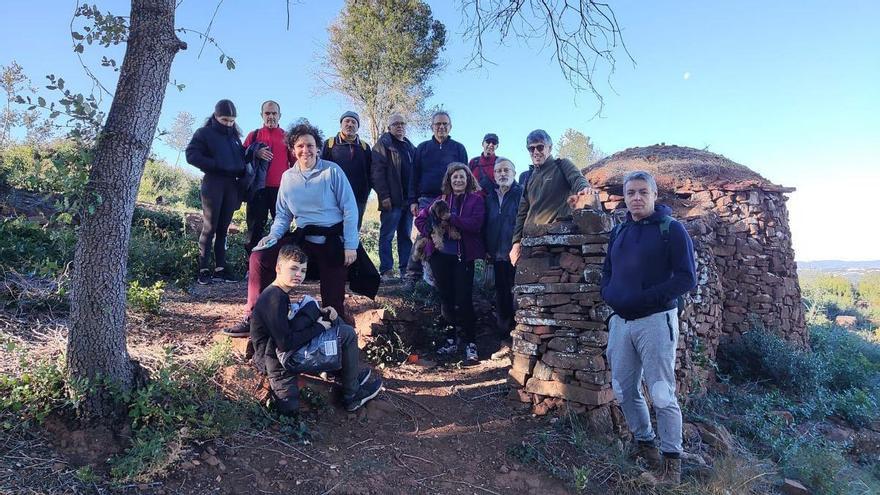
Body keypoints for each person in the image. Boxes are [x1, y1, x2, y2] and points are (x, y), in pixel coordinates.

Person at [222, 121, 379, 337]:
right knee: (260, 257)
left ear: (318, 147)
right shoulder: (288, 177)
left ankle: (336, 332)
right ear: (293, 149)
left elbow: (350, 209)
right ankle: (254, 316)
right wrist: (272, 237)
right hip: (303, 239)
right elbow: (284, 215)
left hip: (333, 241)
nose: (305, 150)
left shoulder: (332, 171)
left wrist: (351, 245)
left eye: (310, 145)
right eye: (300, 146)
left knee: (333, 298)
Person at [601, 170, 696, 484]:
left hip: (655, 321)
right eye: (631, 193)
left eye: (643, 192)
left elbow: (686, 278)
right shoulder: (619, 232)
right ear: (625, 197)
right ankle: (645, 445)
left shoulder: (672, 230)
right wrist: (610, 295)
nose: (637, 198)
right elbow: (608, 271)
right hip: (620, 322)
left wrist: (646, 298)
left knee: (661, 392)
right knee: (623, 389)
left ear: (655, 195)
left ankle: (672, 464)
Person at [250, 244, 383, 415]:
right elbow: (285, 343)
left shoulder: (278, 292)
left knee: (329, 315)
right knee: (347, 334)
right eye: (293, 269)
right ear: (278, 268)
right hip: (279, 358)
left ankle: (343, 373)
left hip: (279, 349)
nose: (299, 275)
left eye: (303, 271)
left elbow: (284, 327)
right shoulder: (274, 298)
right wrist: (318, 327)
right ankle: (352, 395)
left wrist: (319, 316)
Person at [414, 163, 485, 364]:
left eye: (462, 177)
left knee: (464, 298)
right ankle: (450, 339)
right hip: (440, 257)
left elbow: (475, 225)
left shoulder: (476, 201)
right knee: (445, 298)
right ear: (449, 180)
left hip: (463, 256)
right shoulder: (440, 200)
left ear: (468, 179)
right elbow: (419, 220)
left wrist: (451, 218)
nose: (458, 180)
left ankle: (470, 342)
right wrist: (430, 230)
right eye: (454, 177)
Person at [185, 99, 246, 285]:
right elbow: (191, 155)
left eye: (232, 120)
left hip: (231, 184)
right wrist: (216, 165)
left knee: (223, 229)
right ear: (216, 116)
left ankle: (220, 268)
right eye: (225, 120)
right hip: (213, 182)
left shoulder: (235, 137)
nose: (228, 123)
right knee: (210, 227)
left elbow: (240, 159)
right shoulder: (204, 133)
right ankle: (203, 269)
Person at [509, 129, 590, 265]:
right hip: (530, 242)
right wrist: (516, 242)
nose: (535, 152)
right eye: (531, 148)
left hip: (554, 241)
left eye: (540, 147)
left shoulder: (562, 165)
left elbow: (577, 179)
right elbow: (522, 212)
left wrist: (584, 189)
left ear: (549, 147)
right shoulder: (529, 176)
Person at [406, 111, 468, 284]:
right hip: (426, 199)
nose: (441, 127)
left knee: (449, 234)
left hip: (450, 199)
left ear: (450, 126)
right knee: (422, 235)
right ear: (432, 127)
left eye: (445, 124)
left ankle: (442, 277)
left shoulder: (458, 148)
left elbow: (465, 175)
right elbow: (414, 175)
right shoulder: (422, 148)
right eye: (438, 124)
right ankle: (413, 275)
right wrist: (412, 200)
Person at [241, 100, 290, 254]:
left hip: (281, 191)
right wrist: (255, 152)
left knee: (283, 229)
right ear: (262, 115)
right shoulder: (254, 135)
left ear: (279, 115)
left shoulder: (287, 137)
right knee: (254, 229)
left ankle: (281, 265)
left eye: (274, 113)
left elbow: (296, 162)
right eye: (267, 113)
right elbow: (241, 157)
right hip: (257, 190)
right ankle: (252, 266)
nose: (271, 116)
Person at [371, 113, 415, 280]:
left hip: (408, 200)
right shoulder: (383, 145)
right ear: (389, 127)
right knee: (387, 235)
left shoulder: (411, 147)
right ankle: (387, 270)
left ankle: (405, 269)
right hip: (392, 200)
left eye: (402, 124)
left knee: (405, 235)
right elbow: (377, 173)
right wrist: (384, 196)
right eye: (396, 124)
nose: (400, 126)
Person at [483, 159, 522, 343]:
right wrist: (486, 249)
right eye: (498, 171)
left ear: (514, 173)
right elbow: (484, 224)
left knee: (519, 295)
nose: (502, 174)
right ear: (494, 174)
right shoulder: (489, 196)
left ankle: (522, 334)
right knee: (501, 295)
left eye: (507, 170)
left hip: (517, 254)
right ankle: (504, 338)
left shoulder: (521, 194)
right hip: (496, 254)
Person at [322, 111, 372, 229]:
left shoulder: (364, 147)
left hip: (358, 198)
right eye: (347, 121)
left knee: (354, 229)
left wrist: (366, 191)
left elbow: (371, 172)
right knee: (333, 230)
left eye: (354, 122)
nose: (350, 124)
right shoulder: (330, 144)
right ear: (341, 124)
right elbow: (321, 170)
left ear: (357, 127)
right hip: (333, 197)